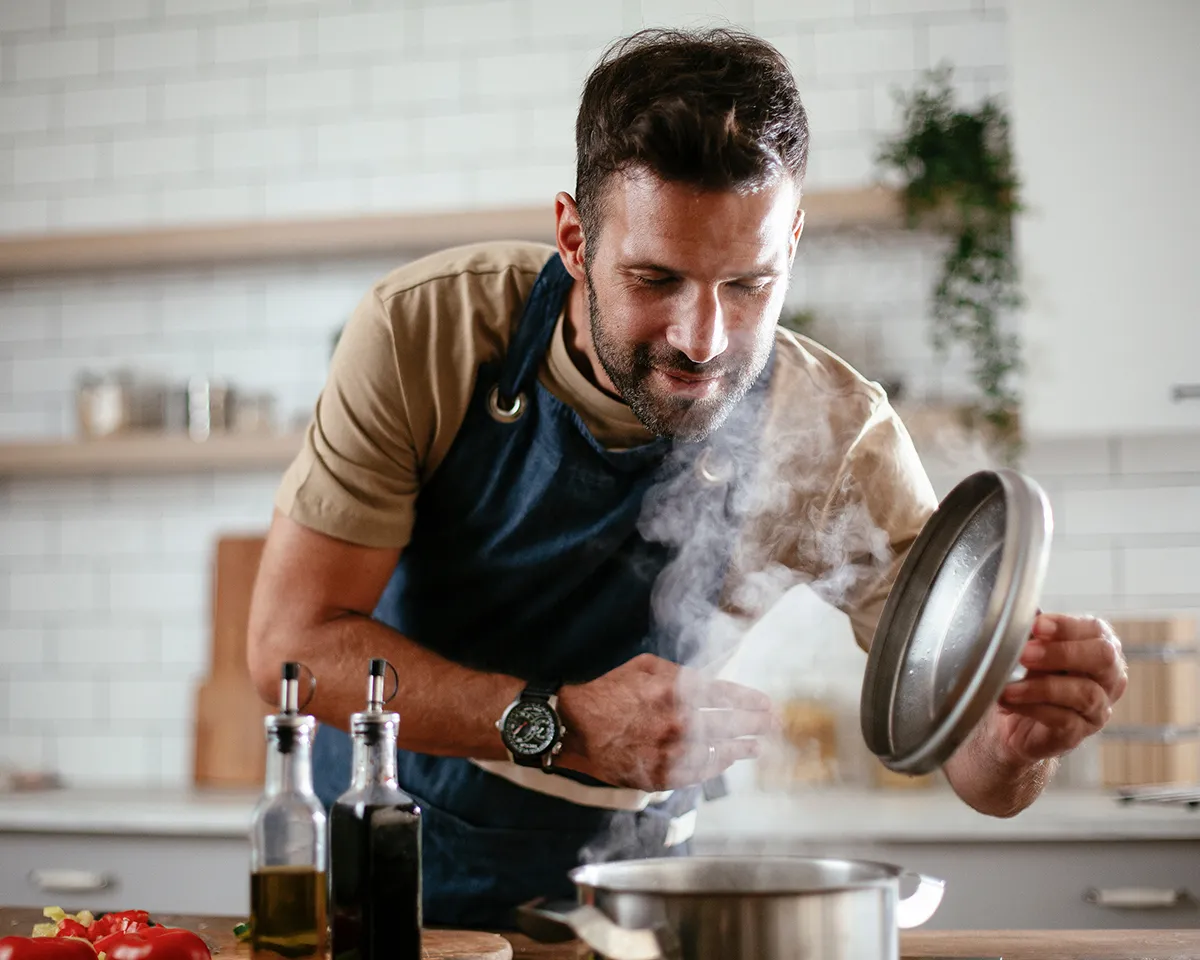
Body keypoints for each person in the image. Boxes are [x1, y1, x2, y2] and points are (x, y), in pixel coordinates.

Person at [248, 27, 1127, 928]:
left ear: (792, 241)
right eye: (655, 278)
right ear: (574, 238)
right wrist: (566, 725)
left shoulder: (836, 435)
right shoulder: (424, 333)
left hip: (636, 907)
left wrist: (1020, 738)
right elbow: (292, 649)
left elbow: (981, 775)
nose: (702, 340)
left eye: (749, 284)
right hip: (386, 882)